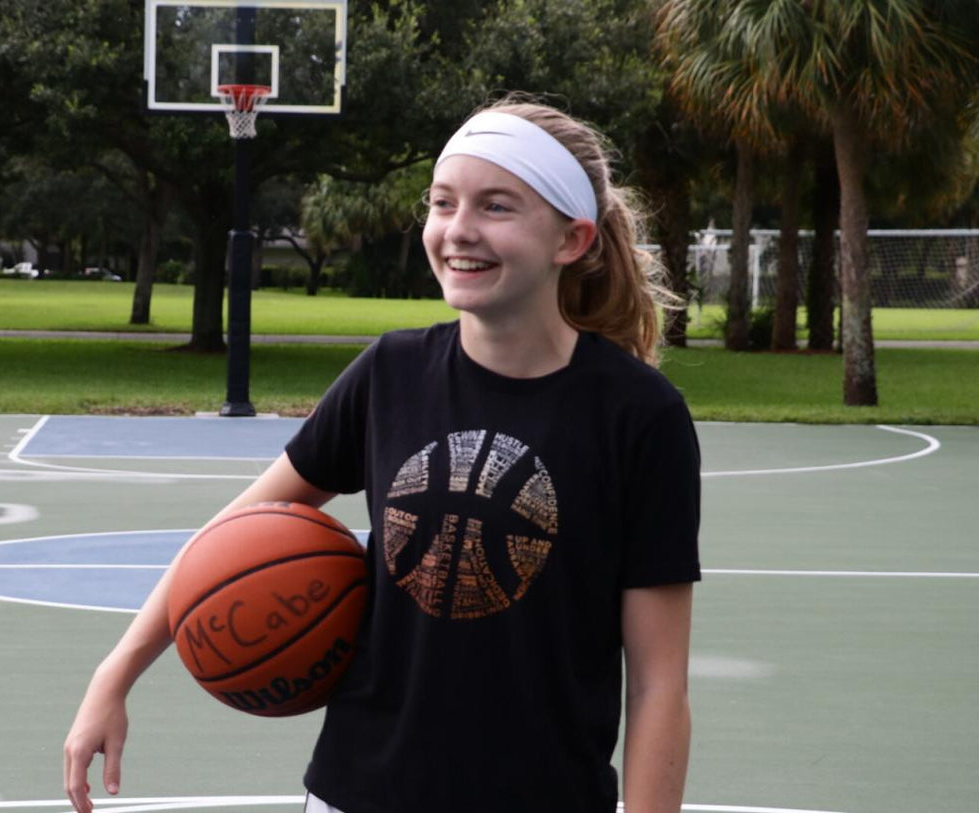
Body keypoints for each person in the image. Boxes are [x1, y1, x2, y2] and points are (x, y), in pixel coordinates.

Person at [63, 98, 701, 813]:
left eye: (496, 206)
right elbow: (223, 541)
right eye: (441, 202)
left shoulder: (638, 416)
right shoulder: (389, 373)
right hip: (360, 791)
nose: (458, 230)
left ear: (571, 239)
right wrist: (112, 674)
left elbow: (656, 684)